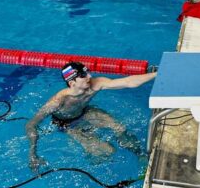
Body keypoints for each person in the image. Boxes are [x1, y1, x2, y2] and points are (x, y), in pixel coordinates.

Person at [26, 62, 156, 173]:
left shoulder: (95, 84)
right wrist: (32, 154)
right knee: (108, 151)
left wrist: (157, 74)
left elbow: (128, 82)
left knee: (119, 128)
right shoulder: (58, 101)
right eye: (83, 75)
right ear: (72, 83)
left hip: (86, 113)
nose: (89, 76)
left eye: (87, 72)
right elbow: (31, 124)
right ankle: (92, 158)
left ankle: (140, 155)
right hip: (67, 125)